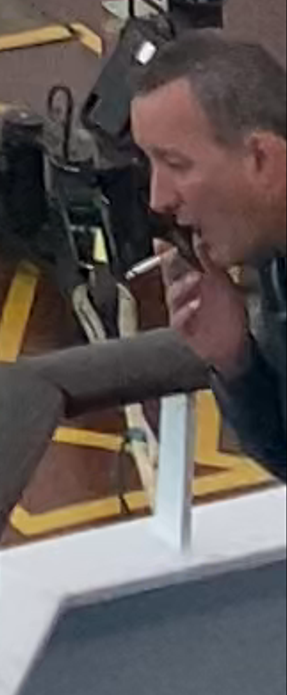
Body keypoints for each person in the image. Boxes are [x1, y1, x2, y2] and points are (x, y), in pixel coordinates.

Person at [126, 30, 287, 472]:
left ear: (260, 158)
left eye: (176, 164)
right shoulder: (274, 256)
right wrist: (236, 362)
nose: (158, 199)